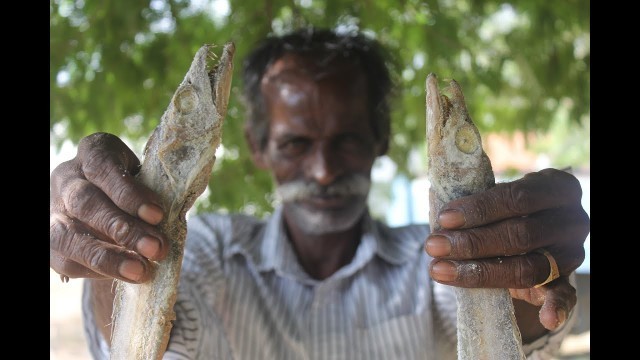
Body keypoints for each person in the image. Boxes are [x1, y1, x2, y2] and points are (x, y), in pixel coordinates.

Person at [50, 27, 590, 359]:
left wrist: (529, 270)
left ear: (381, 140)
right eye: (295, 144)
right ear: (256, 147)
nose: (324, 169)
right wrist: (114, 245)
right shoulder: (209, 248)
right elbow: (144, 342)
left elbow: (506, 314)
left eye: (347, 139)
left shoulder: (437, 256)